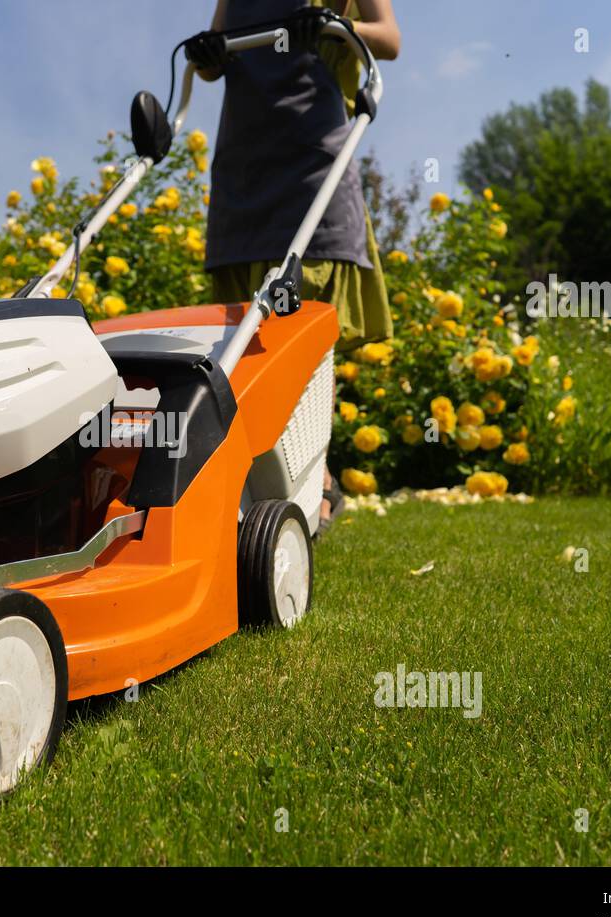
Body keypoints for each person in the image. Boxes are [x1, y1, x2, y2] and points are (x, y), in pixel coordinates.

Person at [187, 0, 401, 533]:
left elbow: (390, 40)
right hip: (243, 173)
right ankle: (251, 482)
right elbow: (214, 62)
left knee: (302, 335)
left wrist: (337, 26)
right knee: (240, 340)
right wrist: (207, 52)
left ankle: (318, 483)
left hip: (313, 169)